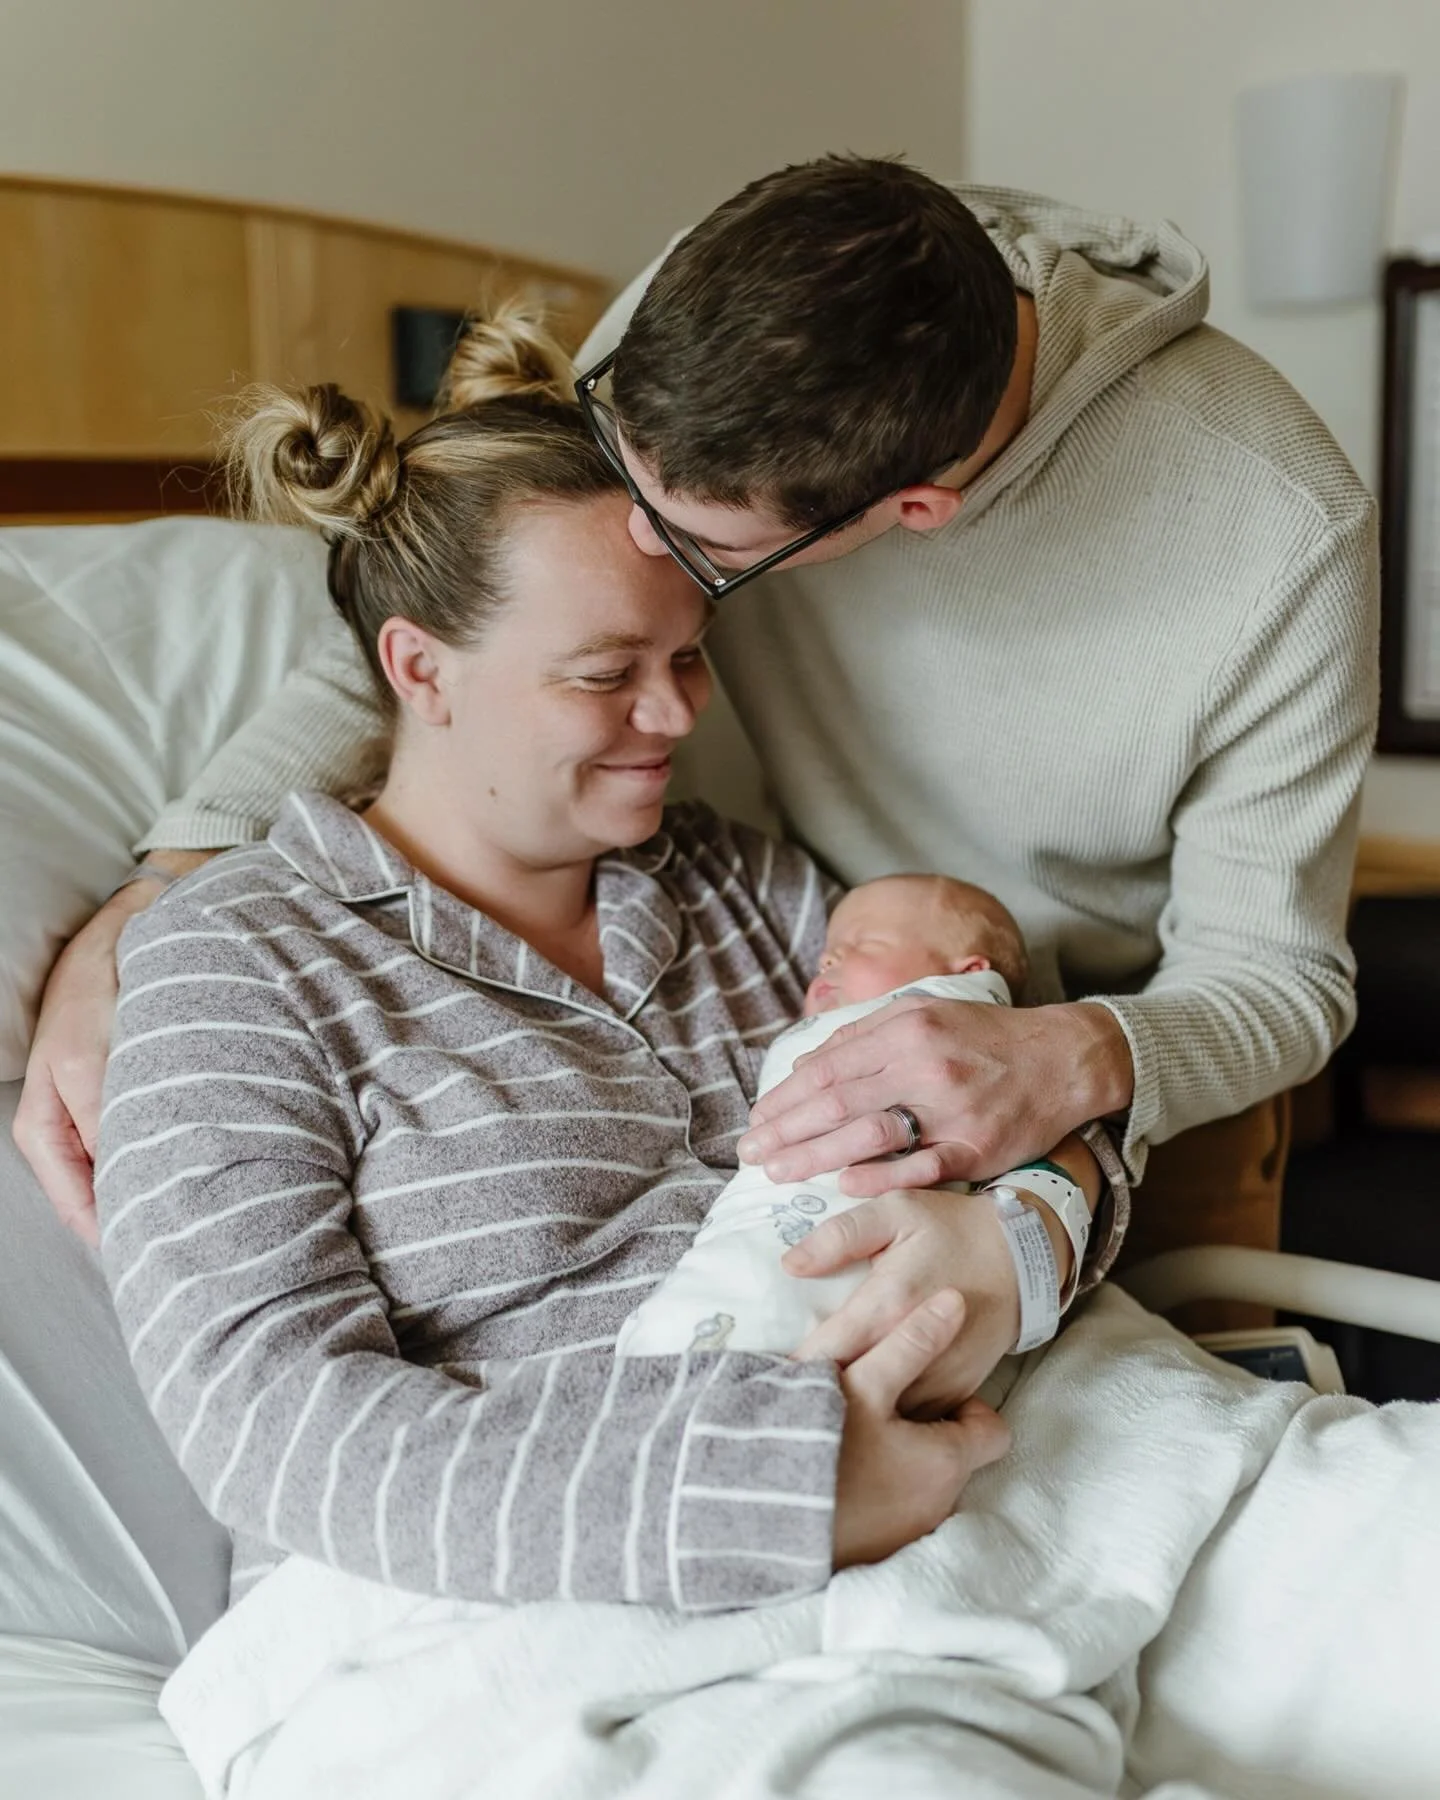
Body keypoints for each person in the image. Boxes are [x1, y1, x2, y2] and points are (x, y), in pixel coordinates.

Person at [23, 154, 1372, 1340]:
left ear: (913, 513)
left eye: (699, 559)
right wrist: (166, 888)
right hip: (788, 973)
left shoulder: (1279, 532)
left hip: (1096, 1069)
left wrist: (1067, 1072)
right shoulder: (695, 334)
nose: (642, 548)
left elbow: (1281, 976)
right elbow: (458, 604)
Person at [96, 309, 1116, 1616]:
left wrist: (1027, 1238)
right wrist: (782, 1492)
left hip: (987, 1476)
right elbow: (265, 1421)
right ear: (420, 670)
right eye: (603, 674)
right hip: (530, 1596)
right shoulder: (239, 960)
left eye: (688, 654)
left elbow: (1022, 1092)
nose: (675, 711)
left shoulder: (744, 888)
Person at [618, 873, 1099, 1364]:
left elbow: (1063, 1114)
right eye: (827, 954)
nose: (827, 960)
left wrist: (1024, 1247)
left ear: (970, 973)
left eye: (866, 943)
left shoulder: (981, 1039)